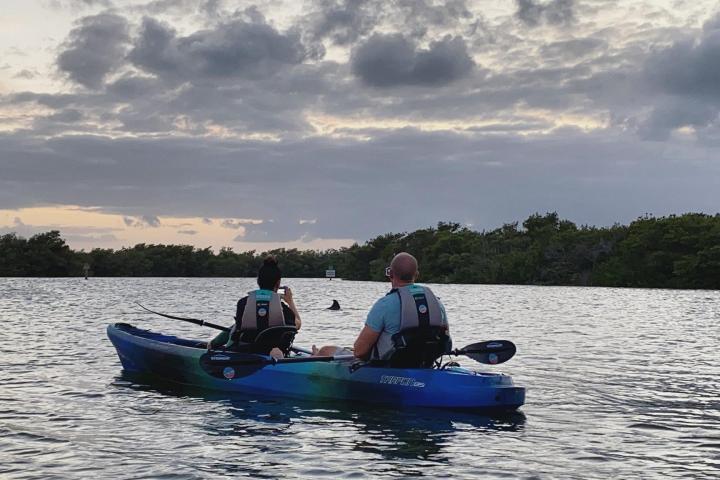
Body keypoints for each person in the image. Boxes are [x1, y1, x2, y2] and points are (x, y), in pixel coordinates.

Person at [353, 252, 449, 362]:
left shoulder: (384, 304)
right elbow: (445, 338)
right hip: (425, 363)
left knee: (329, 350)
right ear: (416, 274)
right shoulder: (436, 302)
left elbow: (359, 351)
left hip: (389, 366)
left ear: (391, 274)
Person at [208, 256, 301, 358]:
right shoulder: (284, 309)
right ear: (278, 283)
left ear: (258, 281)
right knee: (276, 350)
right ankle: (276, 359)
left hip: (244, 351)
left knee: (234, 327)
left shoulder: (243, 303)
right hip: (271, 351)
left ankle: (212, 345)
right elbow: (297, 325)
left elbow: (238, 327)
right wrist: (290, 301)